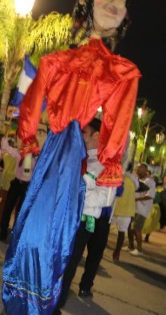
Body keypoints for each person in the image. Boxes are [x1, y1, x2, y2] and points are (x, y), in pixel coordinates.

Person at [2, 0, 141, 315]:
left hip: (70, 153)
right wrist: (30, 141)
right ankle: (26, 301)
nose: (113, 0)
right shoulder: (54, 62)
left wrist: (109, 160)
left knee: (51, 238)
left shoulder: (123, 71)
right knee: (33, 231)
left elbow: (117, 122)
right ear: (87, 1)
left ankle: (35, 302)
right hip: (56, 150)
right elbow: (31, 108)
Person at [54, 118, 115, 312]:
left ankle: (56, 305)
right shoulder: (78, 157)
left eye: (84, 132)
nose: (80, 136)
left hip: (83, 220)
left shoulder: (107, 165)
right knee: (56, 259)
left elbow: (106, 199)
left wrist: (81, 190)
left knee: (69, 262)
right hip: (64, 215)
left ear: (96, 135)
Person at [127, 163, 155, 256]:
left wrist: (136, 199)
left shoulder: (150, 181)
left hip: (142, 210)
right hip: (133, 208)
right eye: (137, 168)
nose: (138, 170)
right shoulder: (137, 180)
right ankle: (130, 246)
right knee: (129, 228)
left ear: (145, 170)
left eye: (140, 169)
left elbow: (150, 196)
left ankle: (140, 249)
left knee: (136, 229)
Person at [111, 165, 136, 261]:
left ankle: (98, 249)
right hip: (126, 212)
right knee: (121, 233)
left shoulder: (117, 178)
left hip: (115, 209)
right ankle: (117, 252)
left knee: (104, 230)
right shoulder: (133, 182)